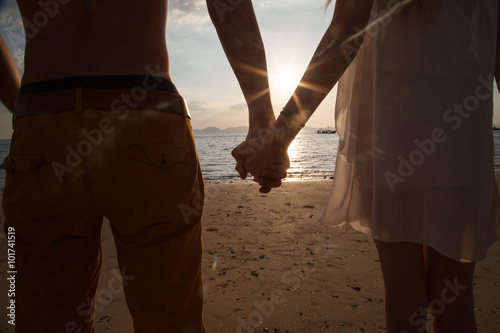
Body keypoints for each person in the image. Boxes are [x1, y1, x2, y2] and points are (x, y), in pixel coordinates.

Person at [0, 1, 272, 332]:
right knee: (171, 320)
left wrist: (26, 113)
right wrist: (262, 120)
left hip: (42, 126)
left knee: (45, 322)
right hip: (149, 119)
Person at [231, 0, 500, 332]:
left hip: (389, 127)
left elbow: (346, 30)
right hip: (462, 126)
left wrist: (279, 138)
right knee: (454, 301)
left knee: (406, 302)